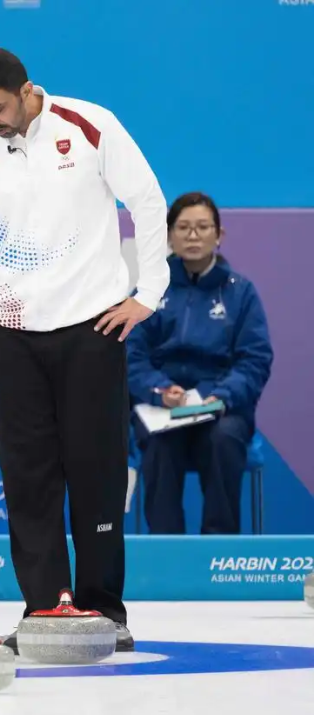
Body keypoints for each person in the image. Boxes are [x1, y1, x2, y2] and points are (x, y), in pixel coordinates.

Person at [0, 48, 171, 651]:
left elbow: (148, 201)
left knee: (97, 473)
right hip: (12, 333)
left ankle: (105, 611)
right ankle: (44, 608)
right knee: (29, 478)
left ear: (26, 90)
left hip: (92, 327)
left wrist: (149, 294)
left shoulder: (90, 125)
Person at [127, 192, 273, 534]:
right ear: (169, 236)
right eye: (184, 228)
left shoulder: (241, 293)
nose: (193, 236)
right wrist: (159, 390)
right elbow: (130, 356)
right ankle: (167, 552)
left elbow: (255, 359)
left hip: (222, 407)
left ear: (219, 235)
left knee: (224, 439)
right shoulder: (148, 292)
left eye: (203, 227)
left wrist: (222, 396)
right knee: (160, 445)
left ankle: (218, 552)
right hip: (163, 408)